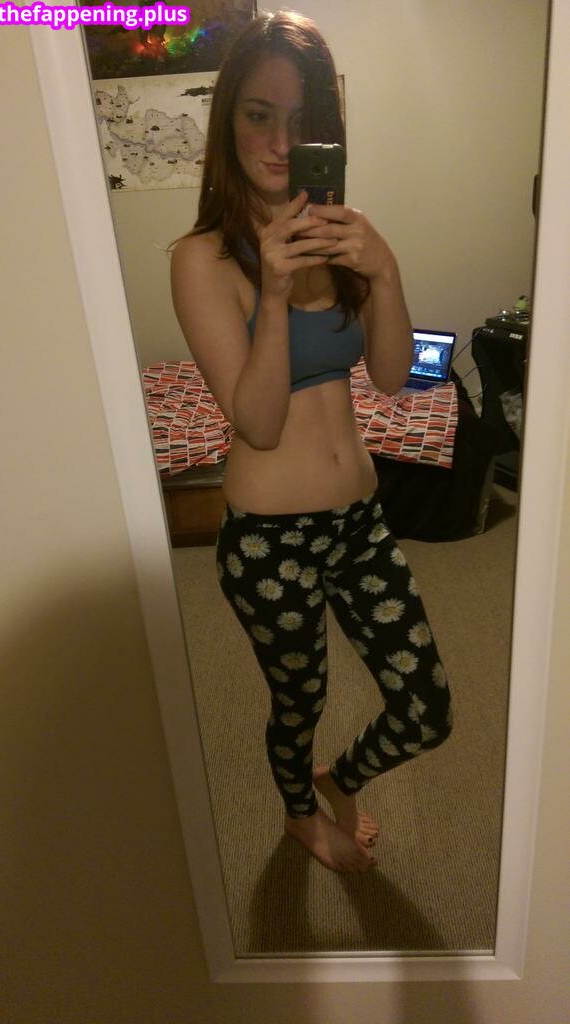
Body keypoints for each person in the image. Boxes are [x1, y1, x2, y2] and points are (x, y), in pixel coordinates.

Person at [169, 11, 453, 875]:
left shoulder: (343, 238)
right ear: (229, 122)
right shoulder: (202, 259)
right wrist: (274, 288)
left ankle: (341, 776)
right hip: (269, 540)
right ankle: (300, 814)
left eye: (303, 122)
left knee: (425, 707)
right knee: (299, 699)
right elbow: (255, 423)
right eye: (259, 116)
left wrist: (384, 269)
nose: (280, 143)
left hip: (359, 521)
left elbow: (394, 377)